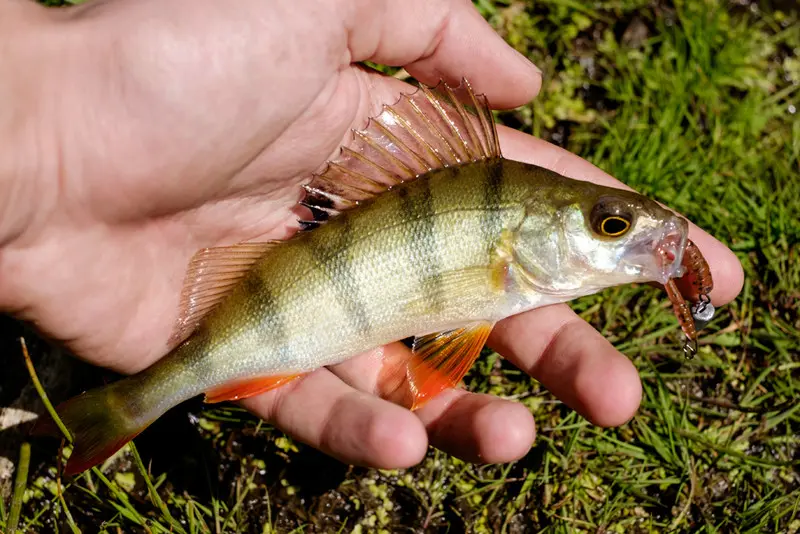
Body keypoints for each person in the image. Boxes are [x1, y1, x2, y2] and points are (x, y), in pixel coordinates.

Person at [0, 0, 743, 468]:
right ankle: (131, 404)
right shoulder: (494, 262)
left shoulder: (499, 259)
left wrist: (46, 146)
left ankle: (115, 410)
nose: (628, 241)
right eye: (609, 226)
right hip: (265, 299)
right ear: (524, 234)